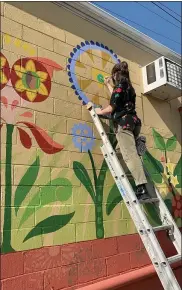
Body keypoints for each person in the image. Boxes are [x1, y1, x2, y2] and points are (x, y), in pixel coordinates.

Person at [95, 61, 150, 201]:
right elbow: (117, 97)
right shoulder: (129, 87)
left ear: (115, 74)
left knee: (129, 155)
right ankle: (137, 143)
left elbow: (111, 108)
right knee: (120, 152)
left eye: (113, 76)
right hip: (134, 123)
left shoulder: (119, 87)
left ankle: (142, 188)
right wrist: (108, 84)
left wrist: (98, 111)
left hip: (124, 124)